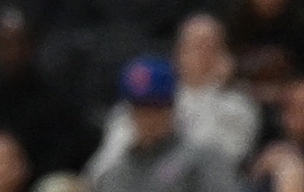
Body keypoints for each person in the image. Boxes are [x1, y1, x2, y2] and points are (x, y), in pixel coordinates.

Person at [92, 15, 261, 171]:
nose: (200, 55)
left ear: (224, 55)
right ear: (177, 52)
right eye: (192, 46)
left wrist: (211, 90)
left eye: (209, 47)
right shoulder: (151, 96)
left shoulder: (239, 106)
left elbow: (218, 160)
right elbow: (108, 158)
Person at [0, 9, 92, 174]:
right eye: (4, 44)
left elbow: (68, 156)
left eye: (18, 43)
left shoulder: (58, 105)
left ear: (31, 46)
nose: (12, 52)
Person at [87, 56, 240, 192]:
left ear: (171, 108)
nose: (147, 118)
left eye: (156, 108)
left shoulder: (203, 158)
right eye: (139, 108)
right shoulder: (115, 174)